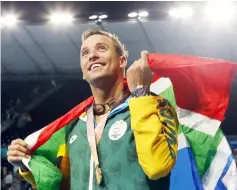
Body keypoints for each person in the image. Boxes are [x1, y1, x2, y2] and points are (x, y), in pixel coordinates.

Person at [7, 28, 179, 189]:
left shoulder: (154, 106)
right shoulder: (73, 124)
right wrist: (26, 163)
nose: (92, 56)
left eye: (101, 49)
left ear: (122, 61)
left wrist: (140, 94)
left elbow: (158, 167)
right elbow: (60, 184)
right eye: (85, 53)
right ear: (83, 71)